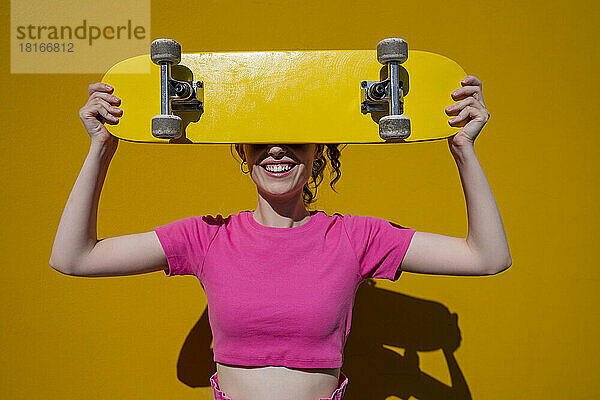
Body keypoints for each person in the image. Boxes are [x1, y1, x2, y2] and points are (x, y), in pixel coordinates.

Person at [49, 75, 511, 400]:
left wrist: (463, 150)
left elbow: (486, 256)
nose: (276, 149)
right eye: (260, 140)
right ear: (243, 153)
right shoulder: (207, 237)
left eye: (295, 139)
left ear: (318, 153)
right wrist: (101, 149)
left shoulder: (355, 237)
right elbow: (74, 257)